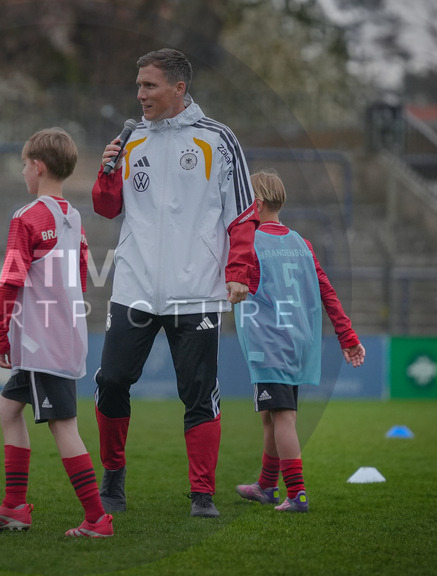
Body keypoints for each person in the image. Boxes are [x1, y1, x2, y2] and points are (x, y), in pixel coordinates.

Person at [91, 48, 258, 518]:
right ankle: (113, 479)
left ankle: (202, 494)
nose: (139, 94)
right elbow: (106, 208)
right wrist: (107, 169)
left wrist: (240, 272)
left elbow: (242, 214)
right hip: (134, 285)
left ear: (179, 88)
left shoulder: (219, 139)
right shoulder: (131, 140)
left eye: (149, 85)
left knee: (198, 392)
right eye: (138, 85)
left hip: (197, 289)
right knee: (111, 379)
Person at [0, 128, 113, 538]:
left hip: (39, 341)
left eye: (24, 165)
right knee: (7, 408)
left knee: (63, 425)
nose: (23, 172)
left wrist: (1, 337)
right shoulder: (73, 216)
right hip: (61, 335)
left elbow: (10, 280)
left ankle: (96, 519)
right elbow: (81, 276)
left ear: (39, 166)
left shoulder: (26, 216)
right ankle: (14, 507)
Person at [233, 169, 365, 513]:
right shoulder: (301, 243)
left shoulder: (250, 244)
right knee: (271, 417)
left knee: (283, 418)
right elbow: (327, 291)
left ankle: (297, 494)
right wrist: (347, 336)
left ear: (256, 204)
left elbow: (236, 283)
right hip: (297, 342)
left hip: (270, 344)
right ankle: (265, 485)